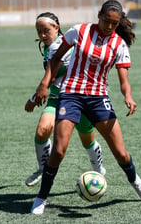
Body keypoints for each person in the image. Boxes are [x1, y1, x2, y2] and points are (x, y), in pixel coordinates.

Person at [30, 0, 141, 215]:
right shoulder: (80, 31)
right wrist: (43, 84)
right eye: (106, 21)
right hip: (71, 95)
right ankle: (41, 197)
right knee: (58, 151)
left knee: (121, 153)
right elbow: (56, 58)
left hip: (98, 98)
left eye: (114, 24)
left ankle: (135, 181)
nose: (109, 27)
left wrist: (128, 96)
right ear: (99, 15)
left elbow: (124, 80)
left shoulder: (119, 44)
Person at [24, 12, 105, 187]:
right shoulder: (47, 46)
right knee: (42, 131)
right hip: (56, 98)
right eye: (39, 31)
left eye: (46, 30)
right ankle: (43, 168)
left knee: (87, 140)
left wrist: (33, 98)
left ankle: (99, 170)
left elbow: (52, 76)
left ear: (56, 28)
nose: (42, 35)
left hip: (78, 97)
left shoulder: (61, 45)